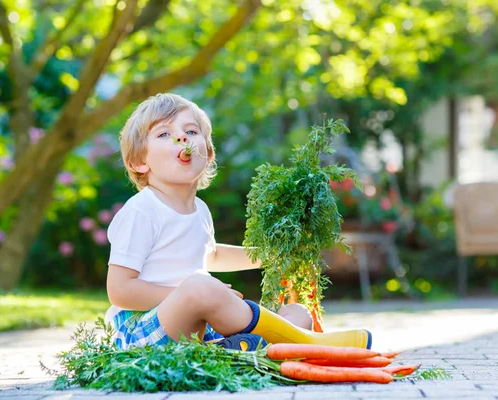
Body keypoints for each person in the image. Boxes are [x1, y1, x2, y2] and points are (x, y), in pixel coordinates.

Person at [105, 93, 372, 350]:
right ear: (139, 162)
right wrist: (192, 294)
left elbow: (213, 256)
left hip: (197, 330)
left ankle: (255, 349)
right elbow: (120, 290)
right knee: (200, 285)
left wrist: (271, 255)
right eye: (164, 134)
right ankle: (305, 344)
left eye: (191, 131)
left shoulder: (199, 209)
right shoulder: (142, 211)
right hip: (142, 331)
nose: (181, 137)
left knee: (297, 312)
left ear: (208, 155)